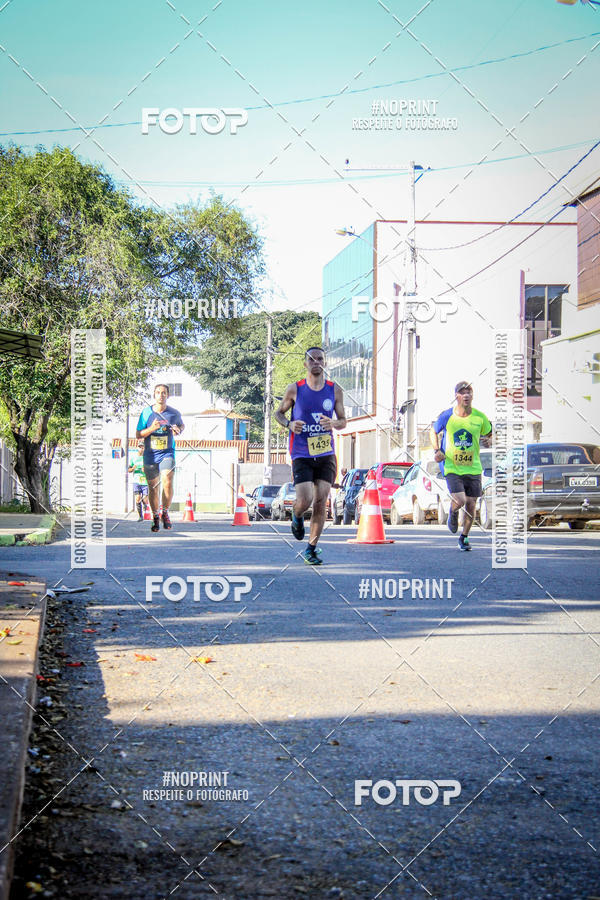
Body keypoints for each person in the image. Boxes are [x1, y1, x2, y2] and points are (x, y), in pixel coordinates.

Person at [275, 347, 347, 564]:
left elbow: (343, 421)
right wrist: (289, 423)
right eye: (312, 359)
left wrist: (333, 423)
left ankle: (311, 548)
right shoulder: (294, 389)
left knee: (321, 500)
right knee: (304, 500)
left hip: (326, 453)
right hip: (301, 453)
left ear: (324, 363)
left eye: (320, 359)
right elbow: (278, 413)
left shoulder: (335, 390)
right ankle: (296, 516)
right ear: (305, 363)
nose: (316, 362)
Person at [430, 380, 492, 551]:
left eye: (469, 392)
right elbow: (433, 431)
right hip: (452, 467)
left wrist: (490, 439)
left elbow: (490, 433)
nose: (466, 395)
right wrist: (436, 450)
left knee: (472, 504)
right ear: (456, 396)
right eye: (462, 392)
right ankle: (453, 510)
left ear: (472, 396)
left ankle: (464, 537)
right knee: (461, 500)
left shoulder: (480, 417)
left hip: (473, 467)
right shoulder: (447, 415)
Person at [136, 384, 185, 532]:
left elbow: (181, 426)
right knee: (153, 488)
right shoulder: (146, 413)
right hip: (150, 454)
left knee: (167, 481)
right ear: (154, 395)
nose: (161, 395)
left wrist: (178, 430)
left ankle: (165, 512)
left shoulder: (174, 413)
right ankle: (155, 516)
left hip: (167, 453)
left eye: (164, 393)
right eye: (158, 392)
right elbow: (138, 435)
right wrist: (152, 428)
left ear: (167, 395)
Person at [128, 441, 150, 521]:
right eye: (140, 447)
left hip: (145, 481)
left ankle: (145, 506)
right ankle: (140, 516)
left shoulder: (147, 458)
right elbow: (129, 470)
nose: (141, 449)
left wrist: (146, 470)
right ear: (137, 448)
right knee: (137, 498)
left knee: (145, 499)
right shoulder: (133, 458)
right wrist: (133, 468)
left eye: (142, 447)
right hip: (136, 481)